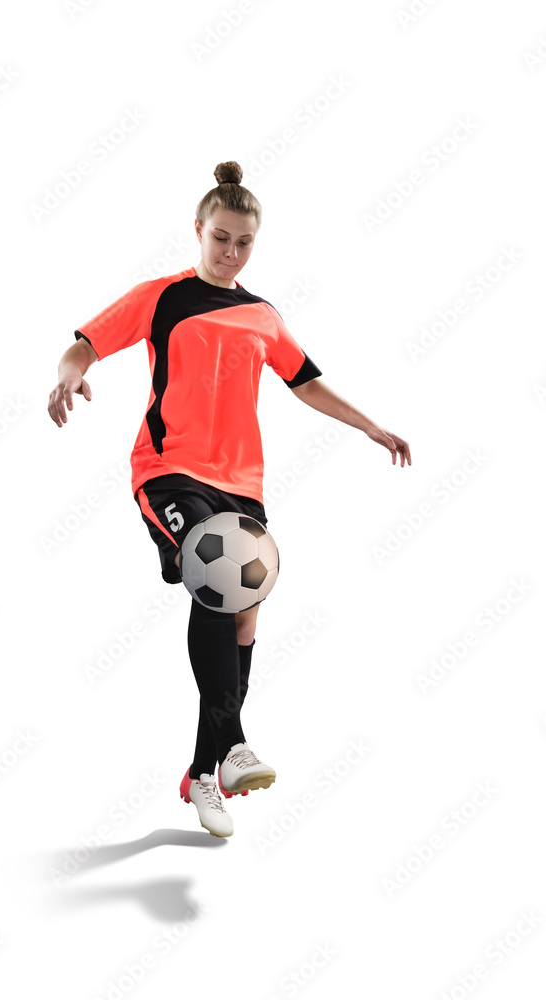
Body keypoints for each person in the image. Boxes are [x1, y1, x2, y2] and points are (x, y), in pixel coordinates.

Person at [48, 160, 411, 839]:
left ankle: (202, 771)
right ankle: (235, 741)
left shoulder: (261, 316)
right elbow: (85, 344)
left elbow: (305, 382)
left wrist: (369, 424)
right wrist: (68, 378)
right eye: (220, 238)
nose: (230, 252)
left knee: (240, 614)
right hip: (168, 469)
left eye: (243, 242)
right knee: (219, 578)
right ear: (197, 230)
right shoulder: (161, 297)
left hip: (241, 482)